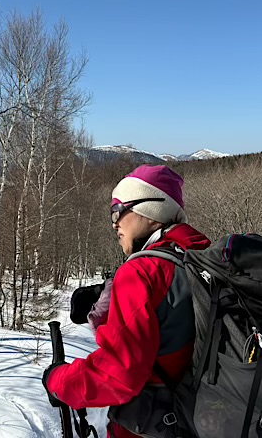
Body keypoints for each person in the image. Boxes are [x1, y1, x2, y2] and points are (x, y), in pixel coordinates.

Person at [43, 165, 210, 438]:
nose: (114, 223)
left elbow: (118, 374)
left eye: (118, 210)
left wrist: (58, 380)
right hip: (206, 421)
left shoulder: (141, 272)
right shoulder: (203, 261)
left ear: (152, 213)